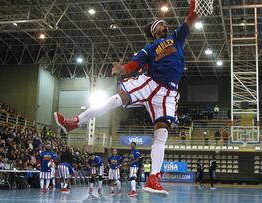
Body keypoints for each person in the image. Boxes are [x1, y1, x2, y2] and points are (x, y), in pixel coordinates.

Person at [53, 0, 198, 196]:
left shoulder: (177, 38)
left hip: (169, 93)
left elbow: (191, 19)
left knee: (161, 135)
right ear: (155, 32)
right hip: (151, 83)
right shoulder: (151, 47)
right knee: (117, 98)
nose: (164, 25)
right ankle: (76, 122)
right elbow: (133, 64)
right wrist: (123, 69)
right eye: (159, 24)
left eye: (164, 23)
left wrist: (194, 5)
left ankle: (153, 178)